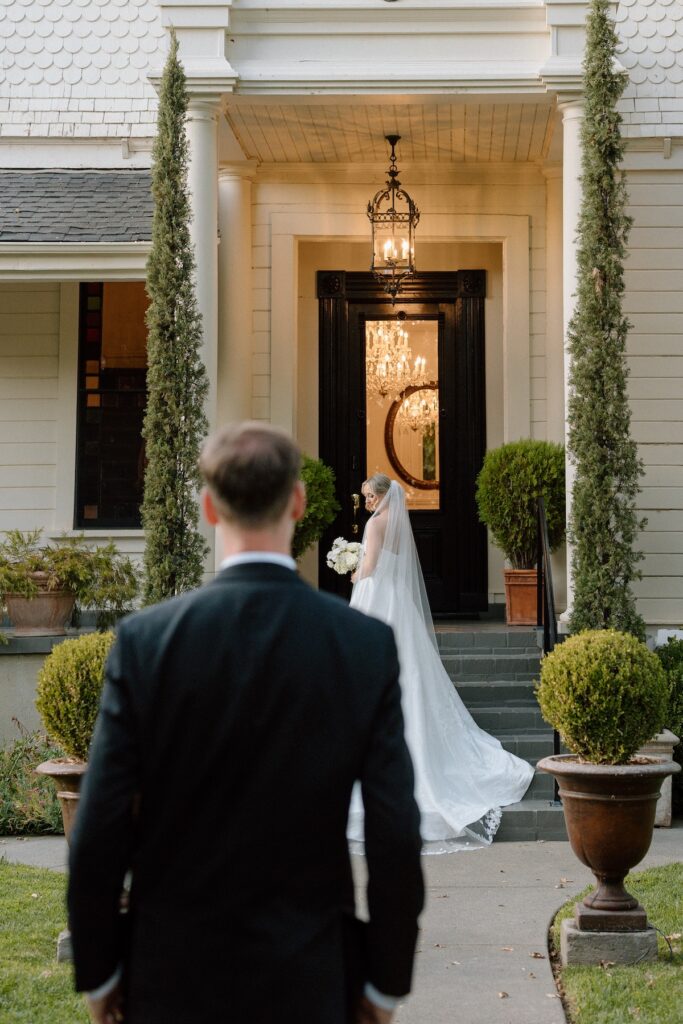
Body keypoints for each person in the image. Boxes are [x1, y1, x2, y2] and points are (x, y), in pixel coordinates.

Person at [67, 424, 424, 1024]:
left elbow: (98, 826)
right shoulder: (361, 647)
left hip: (170, 980)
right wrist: (385, 986)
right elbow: (394, 833)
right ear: (298, 503)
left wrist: (101, 973)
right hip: (310, 979)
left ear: (209, 507)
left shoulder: (145, 642)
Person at [348, 473, 534, 853]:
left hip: (376, 599)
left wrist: (351, 570)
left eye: (369, 496)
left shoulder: (375, 523)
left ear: (382, 496)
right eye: (366, 497)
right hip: (396, 601)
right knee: (411, 669)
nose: (366, 502)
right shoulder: (398, 522)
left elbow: (369, 567)